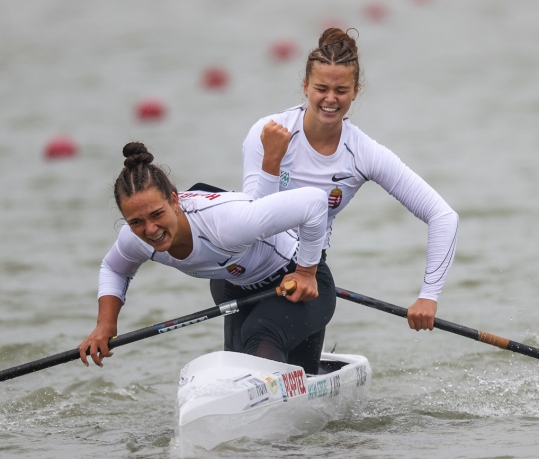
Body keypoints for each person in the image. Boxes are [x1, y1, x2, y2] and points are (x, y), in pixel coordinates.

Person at [236, 27, 459, 335]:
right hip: (249, 265)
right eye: (321, 88)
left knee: (262, 339)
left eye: (341, 90)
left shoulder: (362, 152)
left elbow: (443, 216)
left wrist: (428, 296)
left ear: (356, 90)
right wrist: (272, 161)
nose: (330, 99)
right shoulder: (268, 132)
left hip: (309, 273)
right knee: (250, 343)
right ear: (305, 86)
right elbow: (251, 220)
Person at [79, 142, 334, 373]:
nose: (150, 230)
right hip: (235, 287)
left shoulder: (228, 223)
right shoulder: (134, 238)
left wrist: (306, 271)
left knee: (260, 335)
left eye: (157, 214)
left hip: (296, 281)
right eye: (136, 222)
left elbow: (315, 202)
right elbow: (114, 269)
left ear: (174, 200)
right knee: (241, 362)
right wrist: (105, 324)